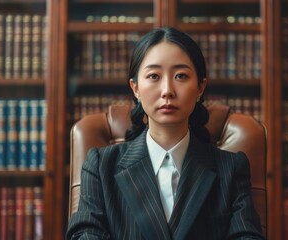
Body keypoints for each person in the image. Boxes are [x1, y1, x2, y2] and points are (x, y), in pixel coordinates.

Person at [66, 27, 265, 240]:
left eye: (181, 75)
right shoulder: (101, 165)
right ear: (135, 88)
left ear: (200, 88)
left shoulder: (231, 168)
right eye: (154, 76)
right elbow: (85, 234)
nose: (167, 90)